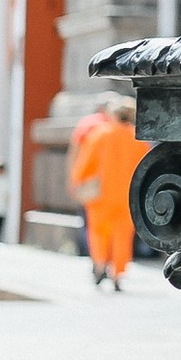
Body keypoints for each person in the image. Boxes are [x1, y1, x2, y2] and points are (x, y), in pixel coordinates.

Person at [66, 97, 144, 292]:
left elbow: (85, 163)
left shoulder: (100, 134)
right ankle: (118, 273)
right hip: (127, 195)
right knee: (123, 235)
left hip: (101, 195)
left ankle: (100, 264)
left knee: (99, 231)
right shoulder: (138, 138)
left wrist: (77, 182)